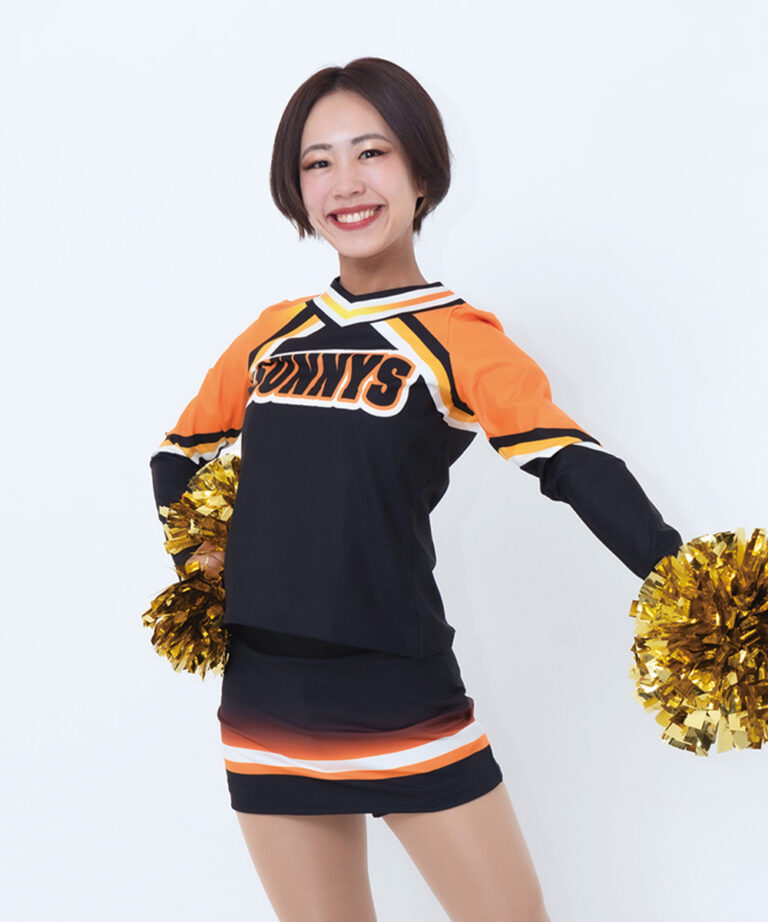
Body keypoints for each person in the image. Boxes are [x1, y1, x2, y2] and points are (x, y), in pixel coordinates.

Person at [149, 57, 682, 922]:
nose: (346, 183)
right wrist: (206, 569)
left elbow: (568, 462)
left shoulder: (458, 338)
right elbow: (178, 457)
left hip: (399, 691)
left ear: (423, 172)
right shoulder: (272, 334)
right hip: (263, 698)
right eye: (318, 162)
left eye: (372, 152)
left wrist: (683, 579)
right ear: (296, 188)